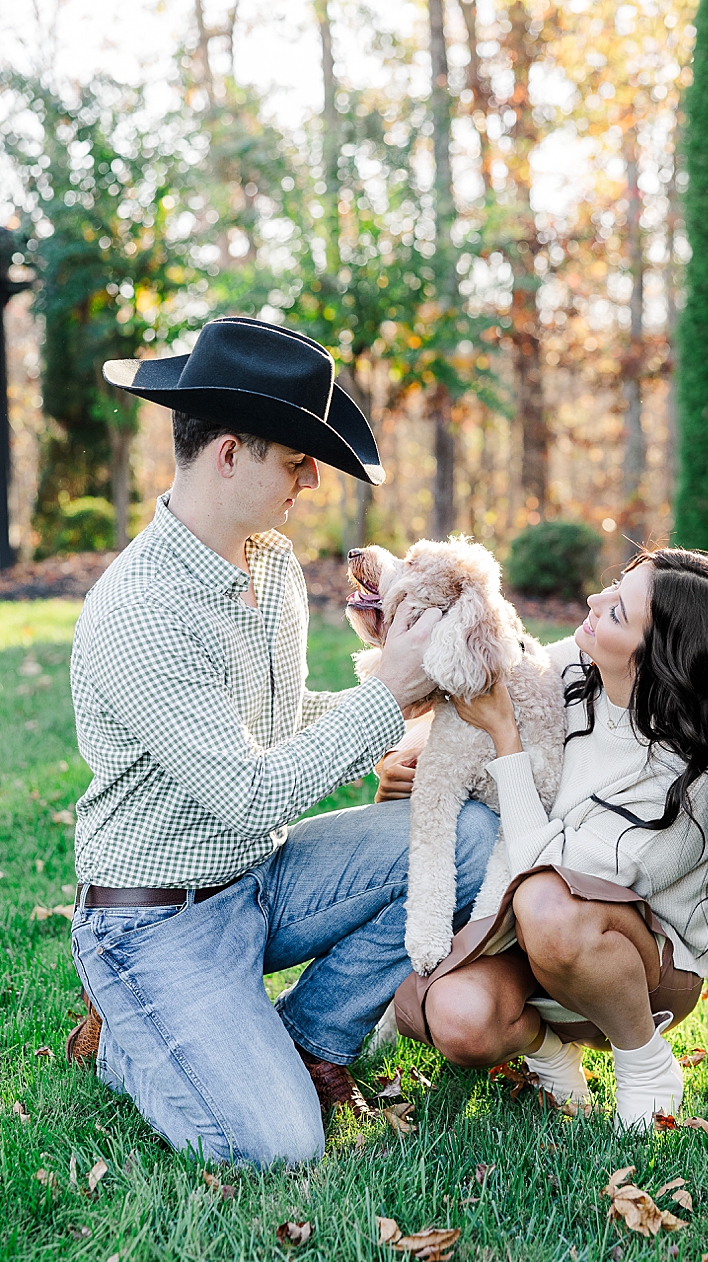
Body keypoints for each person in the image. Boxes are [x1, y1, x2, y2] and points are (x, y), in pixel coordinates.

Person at [65, 316, 497, 1167]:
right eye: (297, 461)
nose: (312, 483)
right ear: (230, 454)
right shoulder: (141, 610)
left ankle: (308, 1037)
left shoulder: (270, 565)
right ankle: (128, 1037)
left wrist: (390, 720)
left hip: (260, 882)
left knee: (470, 840)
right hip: (157, 923)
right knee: (279, 1148)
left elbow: (270, 716)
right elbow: (248, 794)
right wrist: (388, 692)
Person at [379, 548, 708, 1130]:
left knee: (548, 904)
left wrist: (506, 736)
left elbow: (550, 873)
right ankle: (548, 1051)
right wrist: (407, 761)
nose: (596, 601)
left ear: (656, 660)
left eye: (618, 611)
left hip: (633, 968)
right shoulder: (572, 669)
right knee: (457, 1018)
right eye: (614, 585)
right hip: (529, 947)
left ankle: (642, 1059)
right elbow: (482, 686)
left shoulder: (684, 782)